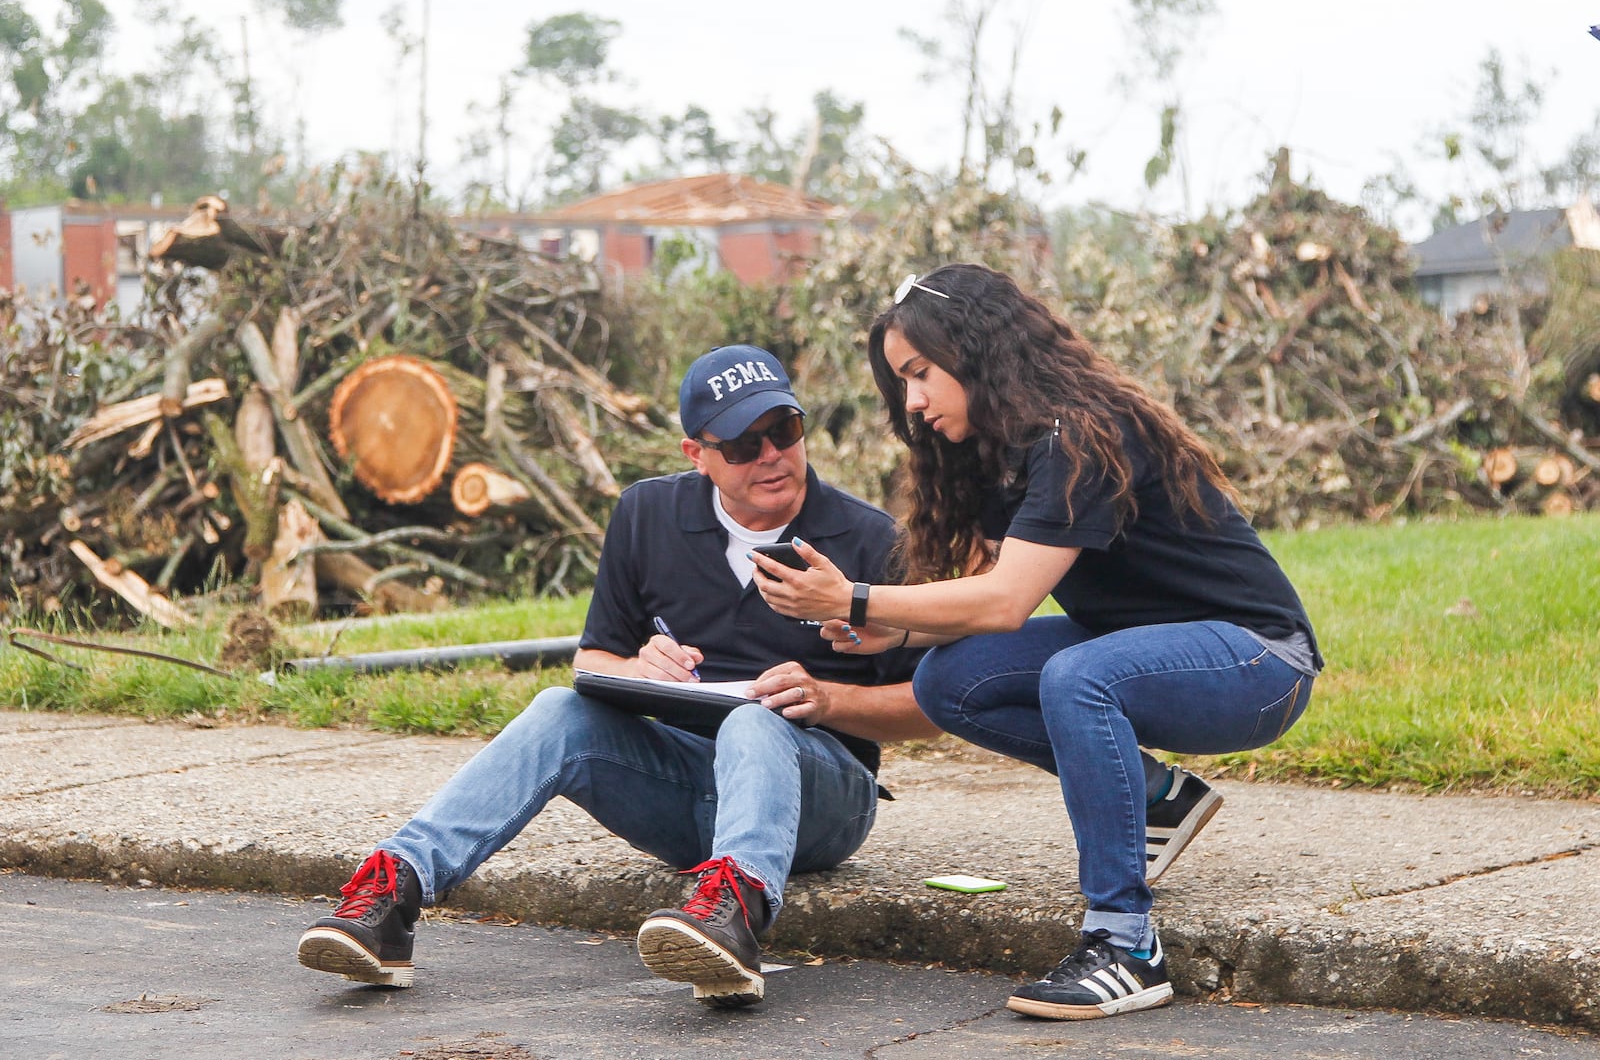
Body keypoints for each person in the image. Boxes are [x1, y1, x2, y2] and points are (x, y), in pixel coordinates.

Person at [753, 264, 1322, 1022]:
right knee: (946, 677)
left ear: (974, 351)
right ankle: (1157, 799)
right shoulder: (1005, 453)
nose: (913, 403)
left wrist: (854, 594)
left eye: (919, 375)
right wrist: (891, 628)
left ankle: (1126, 944)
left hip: (1258, 660)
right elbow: (987, 609)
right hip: (1149, 650)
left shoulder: (1081, 433)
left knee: (1079, 677)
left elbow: (1006, 598)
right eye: (903, 384)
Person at [297, 344, 934, 1007]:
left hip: (824, 797)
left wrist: (827, 697)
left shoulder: (868, 538)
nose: (772, 454)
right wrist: (637, 665)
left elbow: (927, 706)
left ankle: (735, 918)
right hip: (689, 787)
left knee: (755, 721)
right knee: (556, 708)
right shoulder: (647, 515)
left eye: (785, 430)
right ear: (698, 455)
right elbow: (593, 661)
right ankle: (392, 894)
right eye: (744, 444)